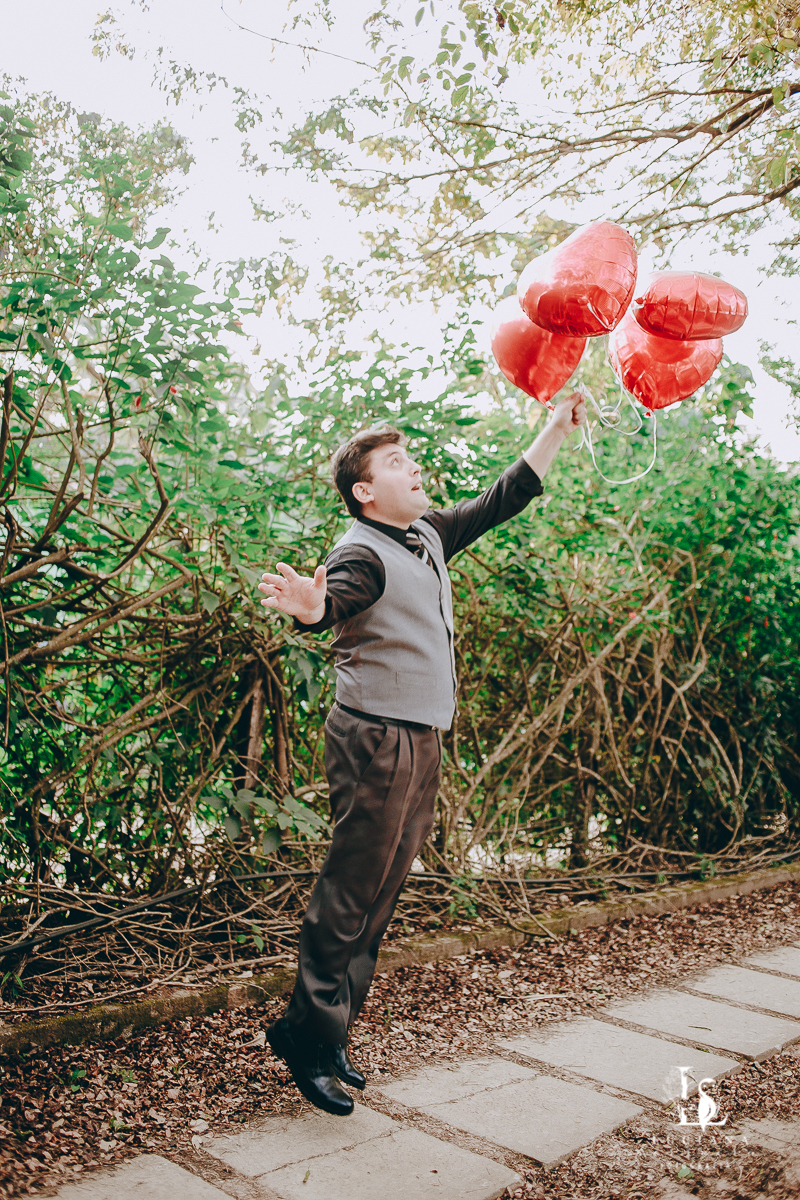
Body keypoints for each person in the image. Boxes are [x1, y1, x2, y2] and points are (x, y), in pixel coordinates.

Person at [258, 391, 586, 1115]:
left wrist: (554, 430)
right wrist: (312, 612)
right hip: (376, 739)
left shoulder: (428, 536)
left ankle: (331, 1030)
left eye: (411, 459)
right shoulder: (360, 553)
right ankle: (303, 1039)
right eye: (397, 462)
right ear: (365, 491)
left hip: (418, 737)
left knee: (380, 897)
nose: (415, 469)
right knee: (350, 893)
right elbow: (334, 600)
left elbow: (504, 497)